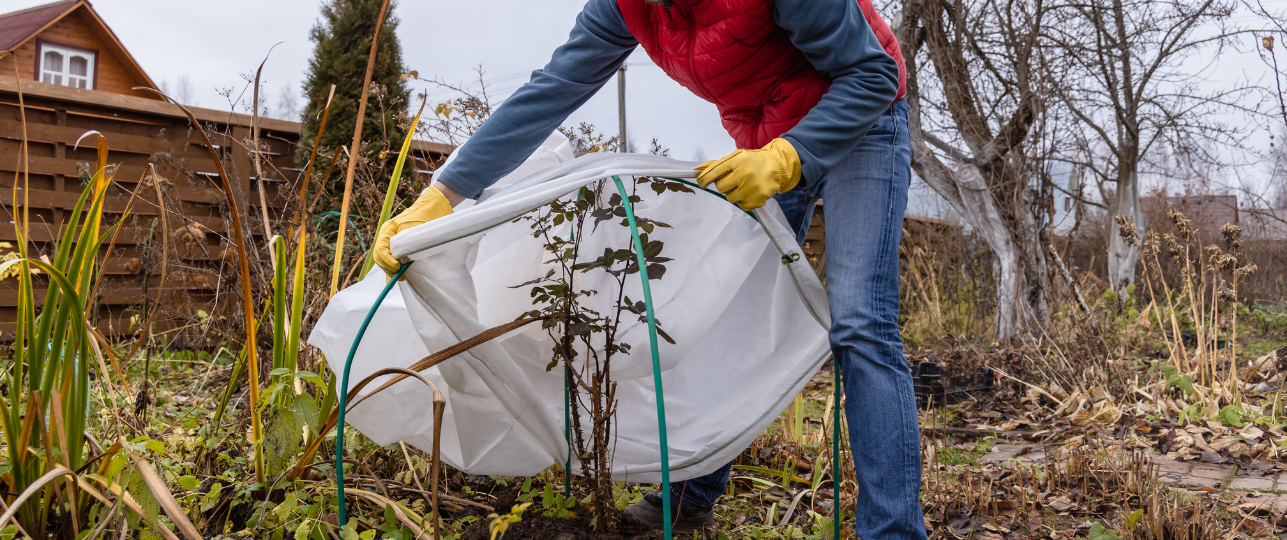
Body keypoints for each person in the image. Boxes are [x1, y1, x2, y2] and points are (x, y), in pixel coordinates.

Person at [373, 0, 924, 537]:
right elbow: (552, 90)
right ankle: (691, 498)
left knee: (859, 322)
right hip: (761, 134)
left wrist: (791, 157)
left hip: (861, 116)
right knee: (726, 313)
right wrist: (444, 195)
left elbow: (871, 72)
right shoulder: (624, 6)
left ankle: (893, 528)